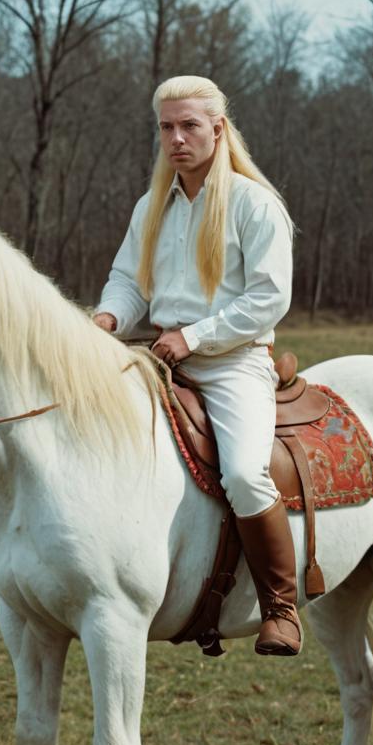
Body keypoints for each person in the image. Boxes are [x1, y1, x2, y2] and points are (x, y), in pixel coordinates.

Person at [93, 75, 300, 655]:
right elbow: (129, 283)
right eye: (166, 127)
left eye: (190, 125)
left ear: (218, 128)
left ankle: (280, 606)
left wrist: (195, 337)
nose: (177, 138)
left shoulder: (254, 204)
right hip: (161, 356)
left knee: (243, 473)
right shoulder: (152, 207)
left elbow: (268, 298)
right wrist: (108, 320)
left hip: (234, 364)